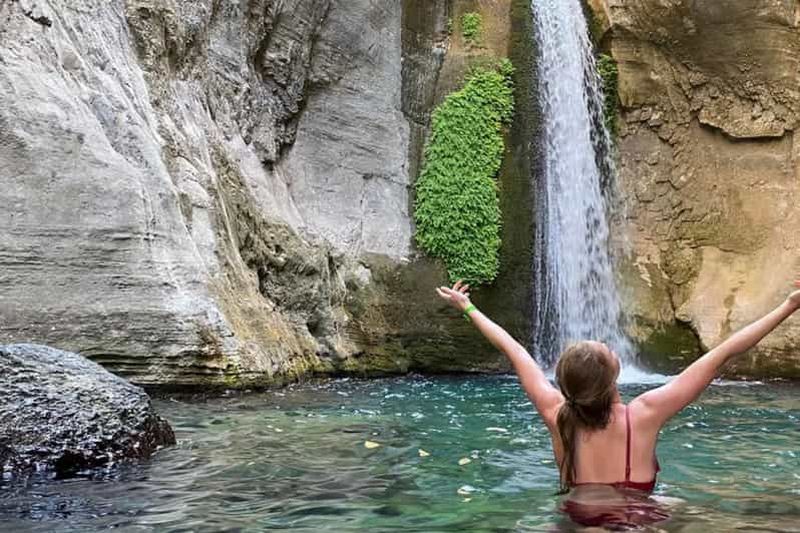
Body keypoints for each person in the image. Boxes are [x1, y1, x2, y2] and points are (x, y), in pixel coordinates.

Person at [435, 279, 800, 527]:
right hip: (639, 520)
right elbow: (723, 354)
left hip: (576, 518)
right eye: (608, 351)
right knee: (684, 512)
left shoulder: (556, 412)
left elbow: (514, 350)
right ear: (614, 375)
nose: (609, 346)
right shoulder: (646, 413)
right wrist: (788, 306)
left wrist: (468, 308)